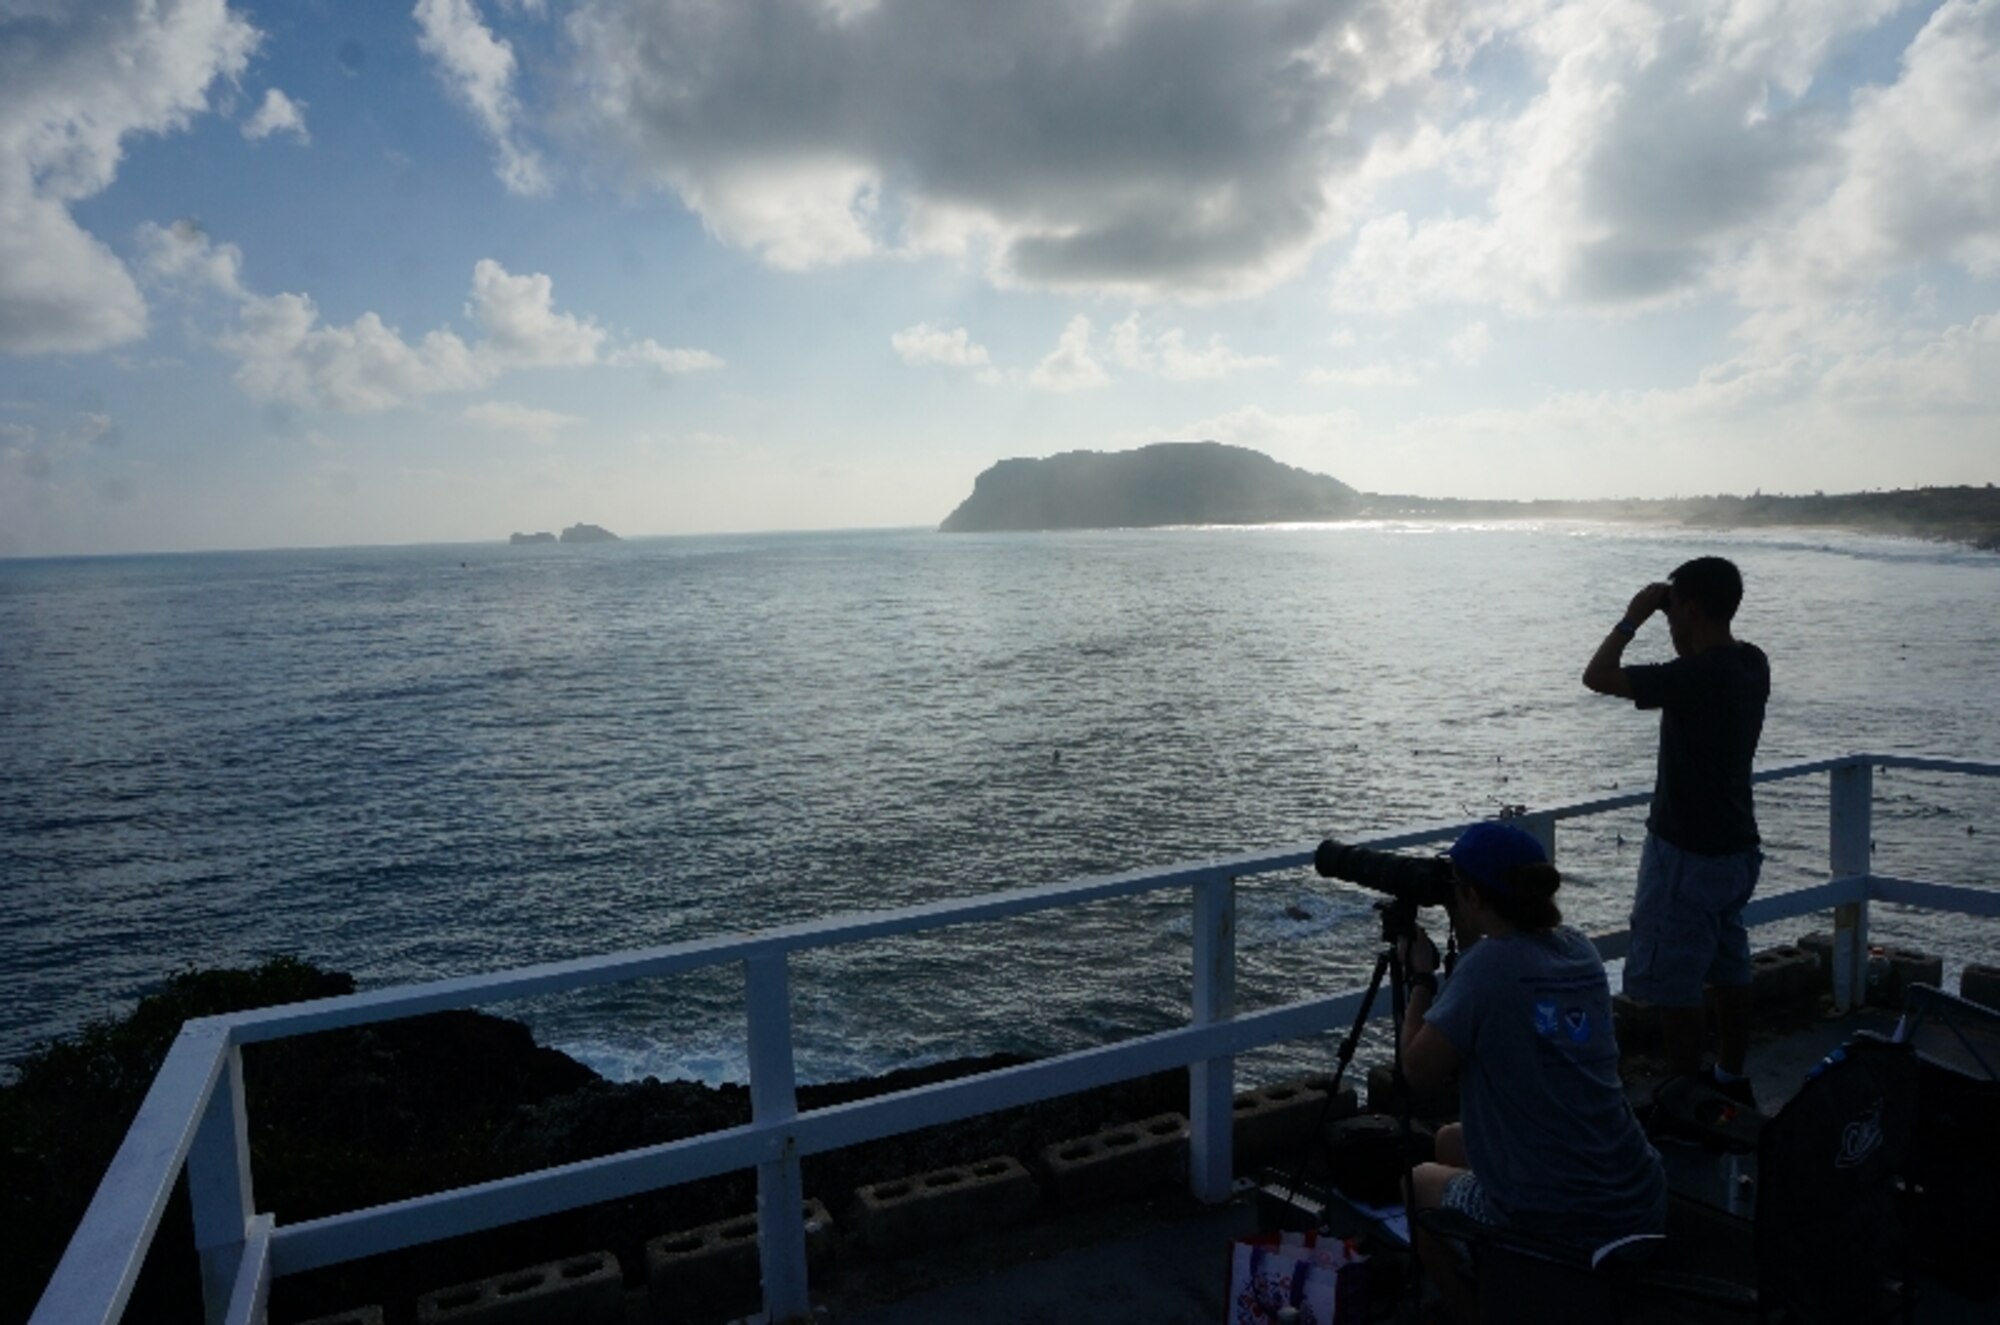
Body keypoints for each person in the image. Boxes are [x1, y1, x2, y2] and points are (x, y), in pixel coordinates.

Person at [1397, 822, 1667, 1321]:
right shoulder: (1576, 946)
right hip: (1638, 1195)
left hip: (1558, 1220)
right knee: (1451, 1142)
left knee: (1416, 1184)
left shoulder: (1488, 967)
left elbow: (1416, 1070)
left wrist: (1419, 977)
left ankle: (1472, 1312)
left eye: (1455, 890)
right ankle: (1499, 1272)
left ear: (1474, 897)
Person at [1582, 556, 1769, 1103]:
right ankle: (1732, 1078)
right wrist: (1679, 616)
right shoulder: (1751, 663)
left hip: (1687, 851)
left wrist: (1632, 619)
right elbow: (1696, 655)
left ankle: (1687, 1100)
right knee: (1729, 966)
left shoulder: (1695, 677)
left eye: (1676, 610)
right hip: (1736, 847)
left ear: (1688, 607)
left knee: (1676, 981)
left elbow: (1596, 675)